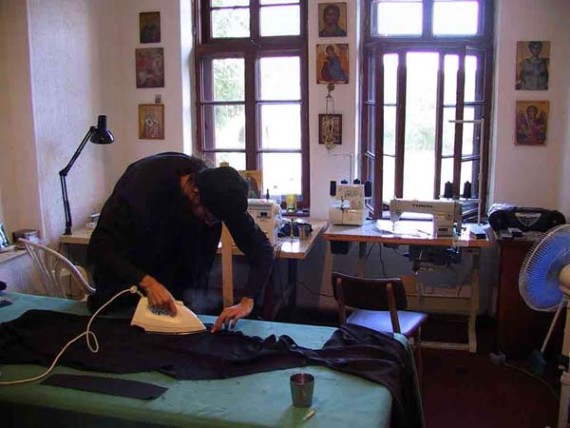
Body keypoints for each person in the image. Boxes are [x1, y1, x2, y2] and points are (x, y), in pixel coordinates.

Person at [87, 152, 275, 332]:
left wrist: (247, 300)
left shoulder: (222, 194)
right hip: (127, 281)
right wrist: (146, 282)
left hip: (180, 284)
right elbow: (100, 247)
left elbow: (262, 250)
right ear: (195, 194)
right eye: (208, 217)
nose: (210, 224)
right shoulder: (142, 187)